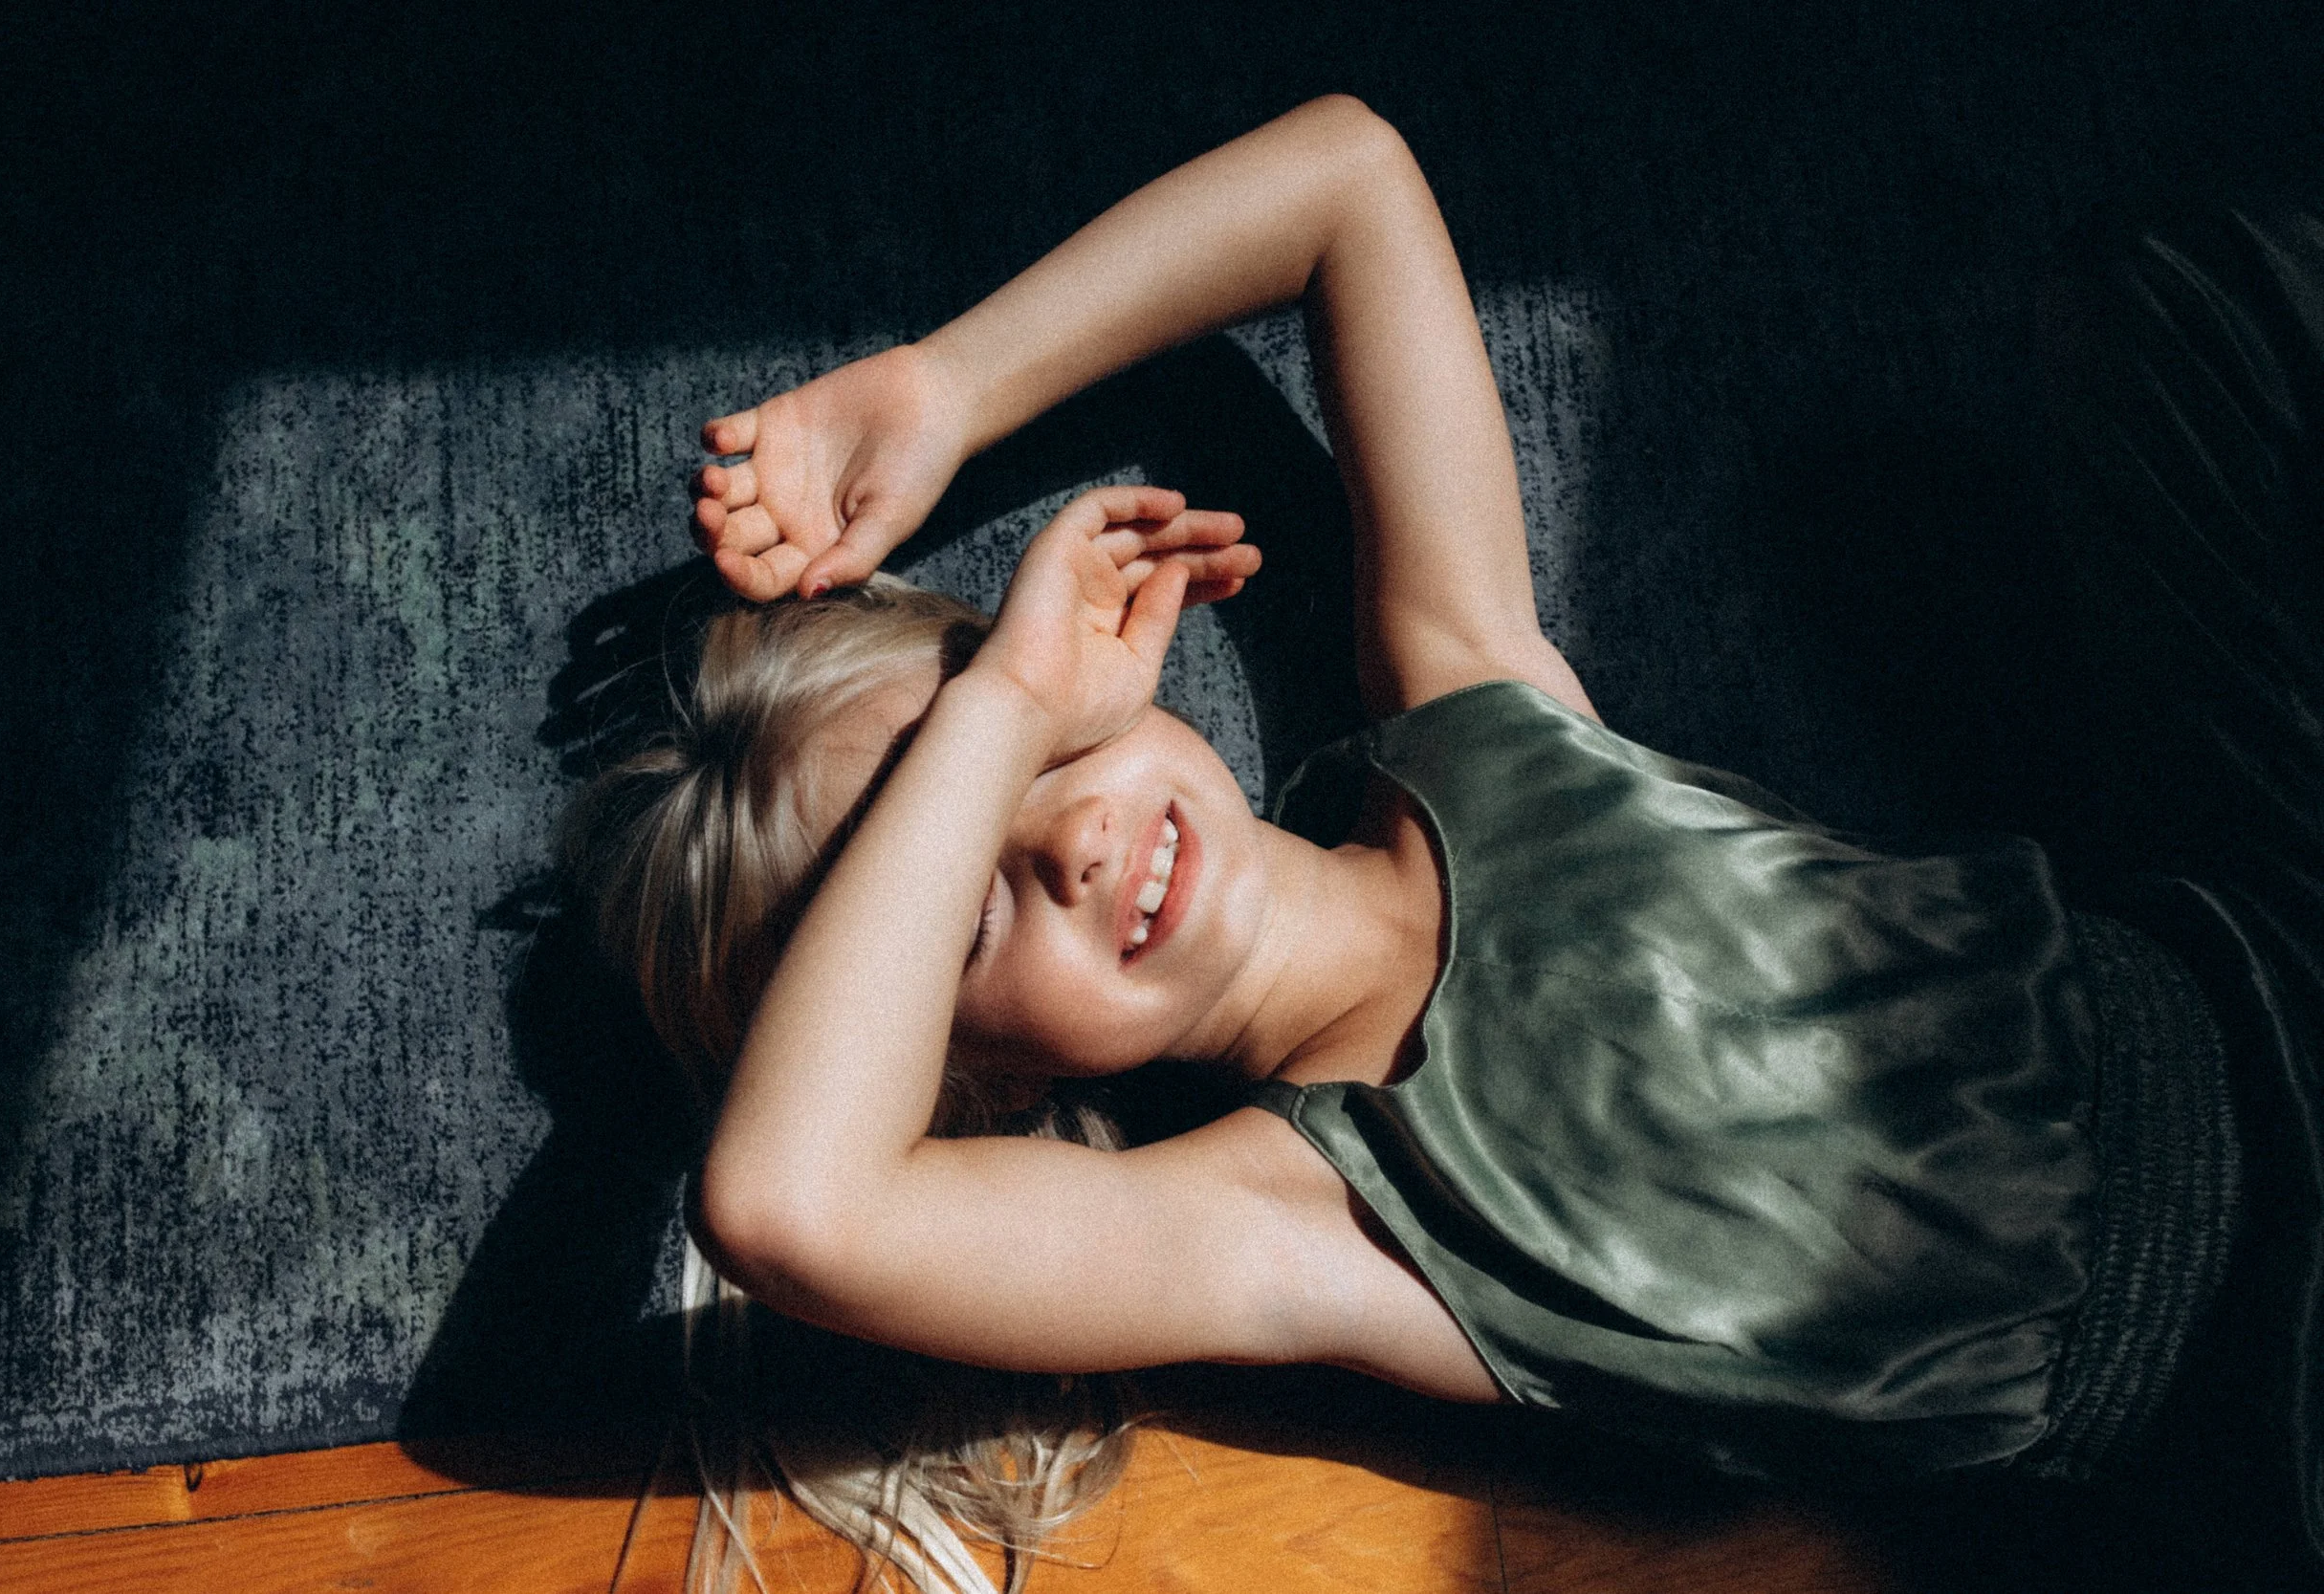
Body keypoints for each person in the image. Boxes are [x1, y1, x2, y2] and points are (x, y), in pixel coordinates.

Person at [564, 97, 2324, 1592]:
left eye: (1043, 746)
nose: (1070, 841)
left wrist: (948, 387)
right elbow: (795, 1203)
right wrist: (1002, 705)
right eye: (960, 900)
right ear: (984, 1079)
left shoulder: (1470, 704)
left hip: (2251, 926)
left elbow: (1347, 178)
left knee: (2173, 297)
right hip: (2256, 1343)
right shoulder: (1295, 1221)